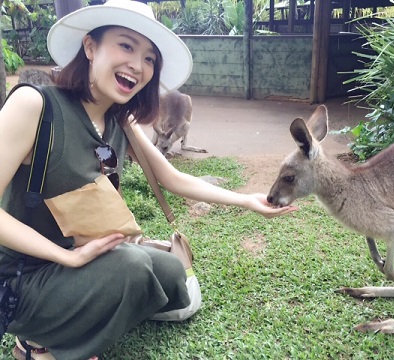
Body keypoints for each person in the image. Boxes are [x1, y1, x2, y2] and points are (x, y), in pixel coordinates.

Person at [0, 1, 297, 359]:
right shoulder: (35, 106)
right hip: (21, 280)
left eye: (149, 58)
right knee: (133, 267)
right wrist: (70, 260)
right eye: (126, 45)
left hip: (82, 259)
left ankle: (88, 310)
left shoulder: (119, 121)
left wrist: (246, 200)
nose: (138, 66)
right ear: (90, 47)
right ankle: (36, 344)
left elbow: (171, 177)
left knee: (171, 273)